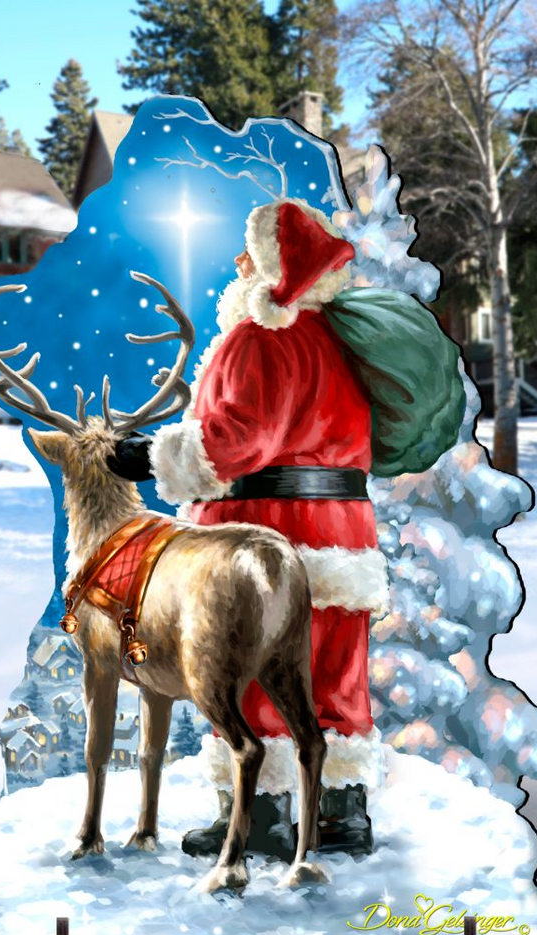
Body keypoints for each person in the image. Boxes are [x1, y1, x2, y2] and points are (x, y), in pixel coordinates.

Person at [109, 197, 389, 857]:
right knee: (333, 672)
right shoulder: (335, 340)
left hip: (264, 533)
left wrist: (152, 456)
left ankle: (258, 815)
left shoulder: (261, 337)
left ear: (272, 266)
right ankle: (340, 812)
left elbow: (237, 440)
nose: (237, 262)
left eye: (250, 251)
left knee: (252, 669)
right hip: (343, 531)